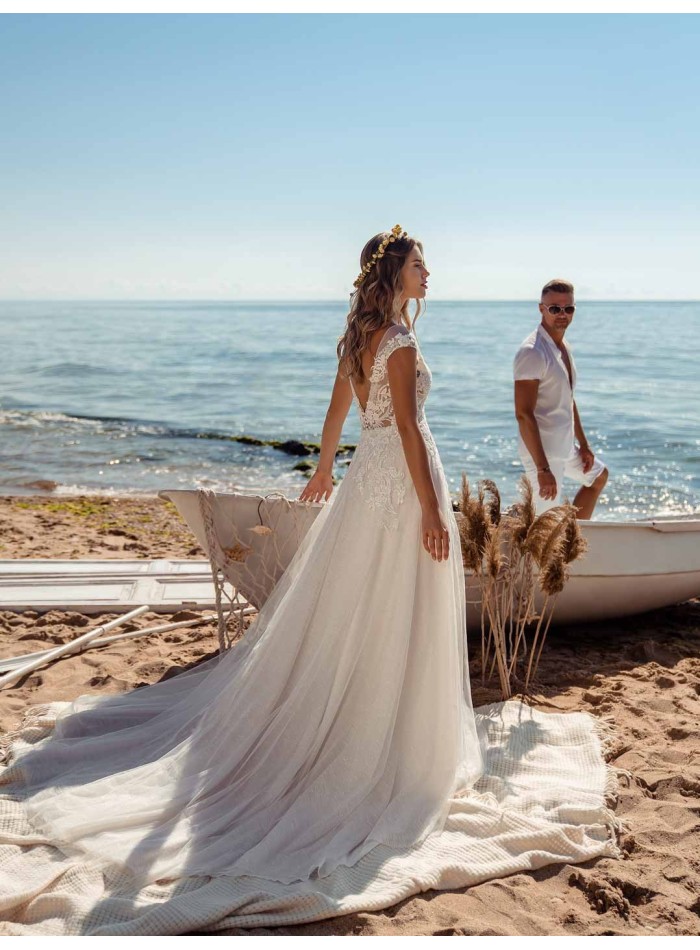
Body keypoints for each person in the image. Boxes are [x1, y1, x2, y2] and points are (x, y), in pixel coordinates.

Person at [0, 232, 619, 935]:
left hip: (365, 487)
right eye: (421, 264)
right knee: (393, 607)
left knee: (359, 606)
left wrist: (326, 466)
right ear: (396, 274)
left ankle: (371, 716)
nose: (430, 273)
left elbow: (338, 409)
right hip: (402, 487)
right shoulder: (400, 342)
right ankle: (388, 743)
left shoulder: (358, 338)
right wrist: (429, 509)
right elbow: (412, 432)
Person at [513, 279, 609, 518]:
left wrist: (584, 445)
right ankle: (554, 549)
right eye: (555, 308)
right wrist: (542, 469)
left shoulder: (563, 346)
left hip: (565, 446)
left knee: (598, 476)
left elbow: (568, 398)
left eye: (568, 308)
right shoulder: (532, 352)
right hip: (543, 453)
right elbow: (523, 414)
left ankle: (571, 541)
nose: (562, 314)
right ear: (541, 309)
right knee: (545, 525)